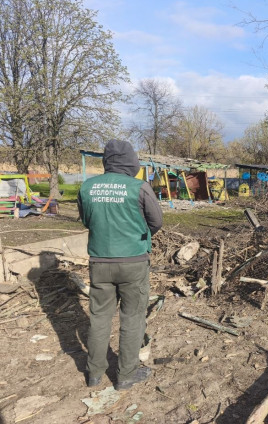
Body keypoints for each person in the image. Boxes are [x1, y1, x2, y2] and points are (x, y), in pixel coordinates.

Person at [77, 140, 163, 390]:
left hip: (99, 262)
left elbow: (86, 220)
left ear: (107, 161)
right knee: (132, 318)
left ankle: (94, 374)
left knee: (99, 317)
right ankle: (125, 375)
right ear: (132, 162)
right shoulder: (139, 187)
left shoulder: (87, 187)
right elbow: (156, 222)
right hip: (133, 262)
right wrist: (138, 235)